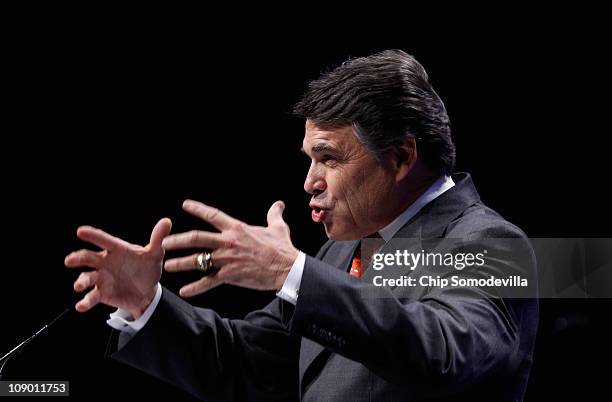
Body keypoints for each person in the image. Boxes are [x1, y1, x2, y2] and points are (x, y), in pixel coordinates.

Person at [64, 49, 538, 401]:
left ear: (399, 157)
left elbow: (442, 354)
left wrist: (293, 272)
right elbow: (246, 363)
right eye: (309, 159)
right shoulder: (340, 254)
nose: (309, 182)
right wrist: (146, 304)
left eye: (328, 158)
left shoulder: (493, 243)